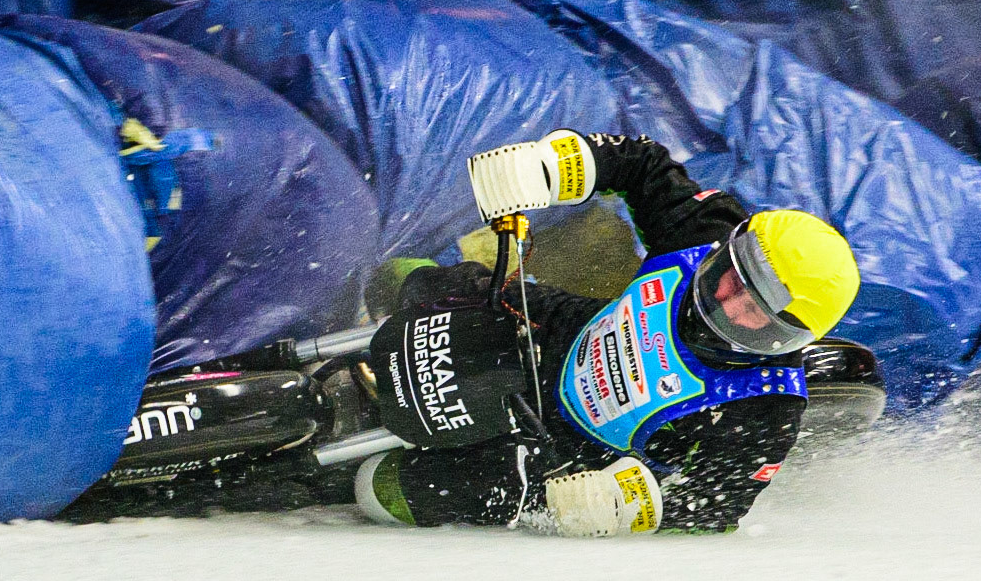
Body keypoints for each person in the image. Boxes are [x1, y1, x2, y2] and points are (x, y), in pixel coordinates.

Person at [355, 131, 860, 536]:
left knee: (385, 492)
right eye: (733, 281)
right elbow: (642, 163)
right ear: (729, 249)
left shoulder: (767, 406)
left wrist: (626, 503)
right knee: (415, 281)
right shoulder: (703, 228)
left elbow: (716, 506)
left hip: (564, 456)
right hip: (558, 329)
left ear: (788, 338)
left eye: (754, 313)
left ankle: (325, 478)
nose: (726, 306)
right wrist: (550, 167)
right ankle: (349, 322)